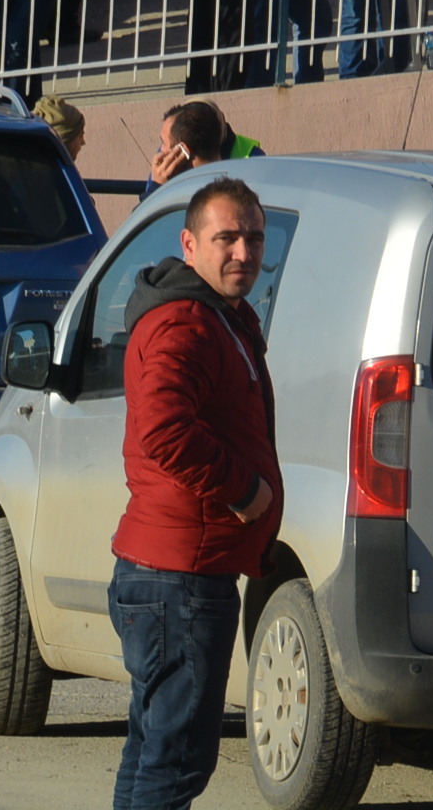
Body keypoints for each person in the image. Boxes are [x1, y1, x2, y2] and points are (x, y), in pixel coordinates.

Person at [110, 177, 282, 810]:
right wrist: (243, 489)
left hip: (176, 572)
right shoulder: (187, 323)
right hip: (180, 577)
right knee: (176, 763)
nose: (243, 252)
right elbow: (163, 427)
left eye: (254, 237)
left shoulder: (217, 317)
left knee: (155, 754)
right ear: (190, 244)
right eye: (226, 238)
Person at [147, 100, 266, 184]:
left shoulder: (189, 196)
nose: (161, 150)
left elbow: (143, 219)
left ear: (183, 150)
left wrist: (157, 188)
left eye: (163, 143)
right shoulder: (232, 190)